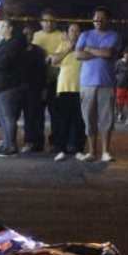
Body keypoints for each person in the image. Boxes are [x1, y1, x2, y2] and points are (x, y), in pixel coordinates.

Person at [76, 7, 121, 162]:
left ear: (108, 20)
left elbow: (108, 53)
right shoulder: (84, 34)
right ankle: (91, 152)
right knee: (89, 118)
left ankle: (106, 152)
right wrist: (98, 52)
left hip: (106, 82)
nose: (98, 21)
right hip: (87, 83)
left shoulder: (113, 35)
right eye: (96, 18)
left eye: (102, 18)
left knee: (106, 118)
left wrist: (89, 49)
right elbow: (78, 55)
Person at [0, 20, 26, 156]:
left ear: (10, 28)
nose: (1, 28)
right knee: (2, 117)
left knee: (8, 116)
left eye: (4, 26)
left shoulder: (14, 44)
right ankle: (5, 143)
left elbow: (4, 62)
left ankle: (11, 146)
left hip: (8, 85)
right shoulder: (3, 42)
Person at [50, 22, 86, 161]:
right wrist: (68, 49)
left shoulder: (84, 47)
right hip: (64, 88)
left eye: (77, 31)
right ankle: (61, 150)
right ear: (68, 33)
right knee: (63, 121)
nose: (75, 33)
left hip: (81, 89)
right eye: (72, 30)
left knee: (79, 122)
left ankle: (78, 149)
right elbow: (53, 61)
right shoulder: (63, 45)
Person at [31, 10, 65, 148]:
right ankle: (37, 142)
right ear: (41, 22)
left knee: (56, 114)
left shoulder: (62, 36)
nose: (49, 23)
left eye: (52, 20)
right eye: (46, 20)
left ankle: (55, 141)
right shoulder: (35, 36)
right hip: (37, 81)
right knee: (37, 113)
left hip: (56, 79)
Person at [21, 23, 49, 153]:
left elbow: (43, 71)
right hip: (20, 88)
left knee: (36, 116)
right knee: (25, 117)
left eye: (30, 34)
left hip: (35, 88)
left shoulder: (38, 51)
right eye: (25, 34)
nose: (28, 36)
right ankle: (28, 141)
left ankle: (37, 142)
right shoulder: (17, 50)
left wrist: (43, 89)